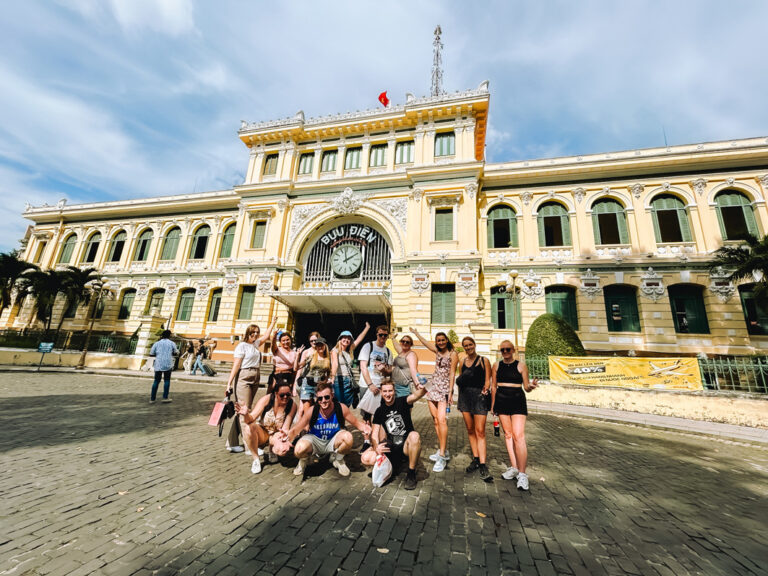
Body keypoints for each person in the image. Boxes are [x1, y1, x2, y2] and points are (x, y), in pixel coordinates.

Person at [287, 381, 371, 477]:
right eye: (320, 398)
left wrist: (366, 428)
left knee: (348, 437)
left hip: (333, 439)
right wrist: (286, 437)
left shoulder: (340, 408)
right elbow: (296, 429)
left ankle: (338, 460)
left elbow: (356, 423)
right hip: (315, 440)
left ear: (332, 395)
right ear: (316, 398)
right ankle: (304, 460)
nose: (323, 401)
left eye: (326, 397)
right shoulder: (312, 410)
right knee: (299, 449)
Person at [361, 379, 427, 490]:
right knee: (365, 458)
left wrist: (427, 386)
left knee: (415, 436)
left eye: (390, 391)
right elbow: (374, 434)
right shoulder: (379, 411)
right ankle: (389, 468)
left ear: (394, 391)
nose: (388, 394)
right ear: (381, 393)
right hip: (391, 446)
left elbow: (417, 395)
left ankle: (411, 474)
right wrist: (377, 447)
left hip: (406, 446)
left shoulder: (403, 401)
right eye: (385, 391)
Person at [491, 340, 539, 491]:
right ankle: (514, 467)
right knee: (508, 434)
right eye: (502, 350)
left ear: (513, 350)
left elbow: (526, 386)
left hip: (517, 399)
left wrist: (530, 387)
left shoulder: (521, 365)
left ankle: (523, 474)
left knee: (519, 436)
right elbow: (493, 386)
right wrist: (493, 405)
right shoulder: (496, 365)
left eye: (508, 349)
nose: (505, 352)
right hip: (501, 399)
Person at [224, 319, 277, 453]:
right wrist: (229, 383)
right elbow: (236, 365)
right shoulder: (241, 346)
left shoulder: (255, 344)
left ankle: (231, 442)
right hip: (244, 377)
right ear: (248, 333)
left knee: (243, 411)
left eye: (257, 332)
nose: (256, 334)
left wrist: (272, 323)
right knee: (245, 411)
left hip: (255, 376)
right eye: (253, 332)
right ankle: (249, 447)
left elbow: (266, 336)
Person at [411, 327, 457, 472]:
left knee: (442, 419)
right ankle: (442, 449)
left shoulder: (453, 353)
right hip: (432, 387)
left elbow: (452, 374)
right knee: (436, 420)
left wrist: (450, 392)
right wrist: (416, 333)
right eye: (438, 340)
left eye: (443, 340)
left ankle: (442, 455)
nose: (441, 342)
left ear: (447, 341)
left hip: (444, 389)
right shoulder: (437, 351)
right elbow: (425, 343)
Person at [235, 380, 297, 474]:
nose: (285, 397)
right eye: (282, 395)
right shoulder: (267, 400)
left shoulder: (292, 405)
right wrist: (245, 414)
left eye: (288, 395)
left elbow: (285, 427)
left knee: (282, 450)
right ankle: (256, 459)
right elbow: (251, 419)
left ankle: (272, 449)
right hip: (263, 432)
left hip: (276, 433)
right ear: (276, 393)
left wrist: (282, 437)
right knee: (248, 428)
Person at [456, 336, 493, 482]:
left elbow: (487, 382)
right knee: (470, 430)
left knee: (480, 431)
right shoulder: (462, 362)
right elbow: (461, 380)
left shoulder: (484, 361)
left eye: (470, 344)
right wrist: (460, 401)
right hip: (465, 398)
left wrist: (485, 390)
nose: (468, 347)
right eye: (465, 345)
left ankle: (483, 464)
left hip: (479, 398)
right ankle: (476, 458)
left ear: (475, 345)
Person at [357, 325, 394, 451]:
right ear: (376, 335)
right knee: (366, 416)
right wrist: (370, 384)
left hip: (380, 386)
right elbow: (363, 367)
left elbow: (389, 371)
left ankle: (377, 440)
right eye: (380, 335)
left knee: (379, 415)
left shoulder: (388, 351)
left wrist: (384, 370)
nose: (383, 337)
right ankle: (366, 441)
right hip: (366, 385)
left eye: (385, 335)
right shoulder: (368, 346)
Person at [329, 322, 370, 407]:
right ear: (340, 339)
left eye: (349, 339)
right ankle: (338, 420)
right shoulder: (335, 351)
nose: (346, 340)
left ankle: (343, 420)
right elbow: (335, 364)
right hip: (338, 380)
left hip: (349, 381)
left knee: (346, 405)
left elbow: (359, 339)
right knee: (339, 405)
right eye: (344, 338)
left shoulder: (350, 350)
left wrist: (367, 328)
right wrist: (332, 377)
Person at [296, 335, 331, 419]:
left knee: (318, 409)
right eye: (317, 345)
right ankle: (304, 429)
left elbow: (328, 373)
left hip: (318, 386)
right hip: (307, 384)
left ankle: (315, 428)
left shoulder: (328, 358)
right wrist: (298, 355)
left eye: (321, 345)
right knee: (307, 411)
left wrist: (325, 382)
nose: (319, 347)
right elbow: (297, 366)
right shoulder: (311, 356)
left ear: (325, 346)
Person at [148, 330, 179, 404]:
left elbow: (151, 353)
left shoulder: (157, 343)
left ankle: (152, 399)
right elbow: (176, 352)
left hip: (158, 363)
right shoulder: (172, 343)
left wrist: (159, 355)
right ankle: (165, 397)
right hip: (168, 363)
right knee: (167, 380)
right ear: (169, 335)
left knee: (156, 381)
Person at [269, 330, 302, 395]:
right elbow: (273, 344)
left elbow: (295, 369)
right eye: (283, 341)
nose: (285, 342)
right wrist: (274, 335)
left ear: (290, 340)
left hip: (289, 377)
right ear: (280, 342)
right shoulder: (277, 350)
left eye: (287, 340)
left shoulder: (295, 353)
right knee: (272, 397)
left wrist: (294, 384)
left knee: (286, 398)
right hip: (277, 376)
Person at [390, 332, 420, 399]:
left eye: (407, 342)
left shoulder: (411, 355)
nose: (405, 343)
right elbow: (396, 346)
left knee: (403, 408)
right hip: (394, 385)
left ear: (411, 344)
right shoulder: (401, 352)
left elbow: (413, 370)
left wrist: (417, 383)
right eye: (403, 341)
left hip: (403, 387)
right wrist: (393, 338)